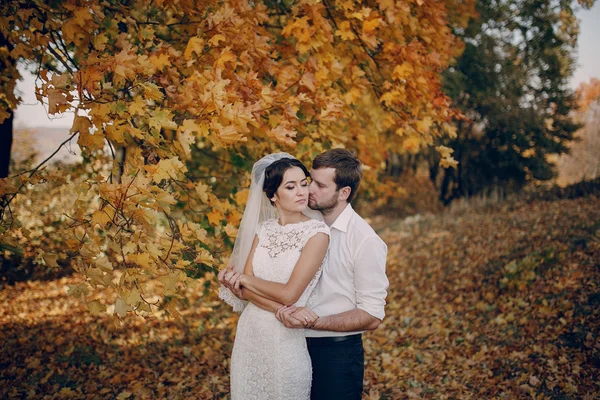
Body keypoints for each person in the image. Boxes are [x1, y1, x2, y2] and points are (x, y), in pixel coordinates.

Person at [277, 148, 389, 400]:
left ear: (344, 193)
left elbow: (372, 315)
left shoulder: (364, 240)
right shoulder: (300, 222)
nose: (309, 189)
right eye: (310, 181)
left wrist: (314, 322)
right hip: (288, 347)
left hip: (336, 355)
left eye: (319, 184)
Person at [217, 153, 330, 400]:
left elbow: (290, 293)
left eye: (303, 183)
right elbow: (243, 293)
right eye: (290, 186)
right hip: (250, 335)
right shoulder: (264, 229)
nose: (302, 191)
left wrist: (246, 280)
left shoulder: (317, 234)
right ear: (272, 195)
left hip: (285, 340)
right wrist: (280, 309)